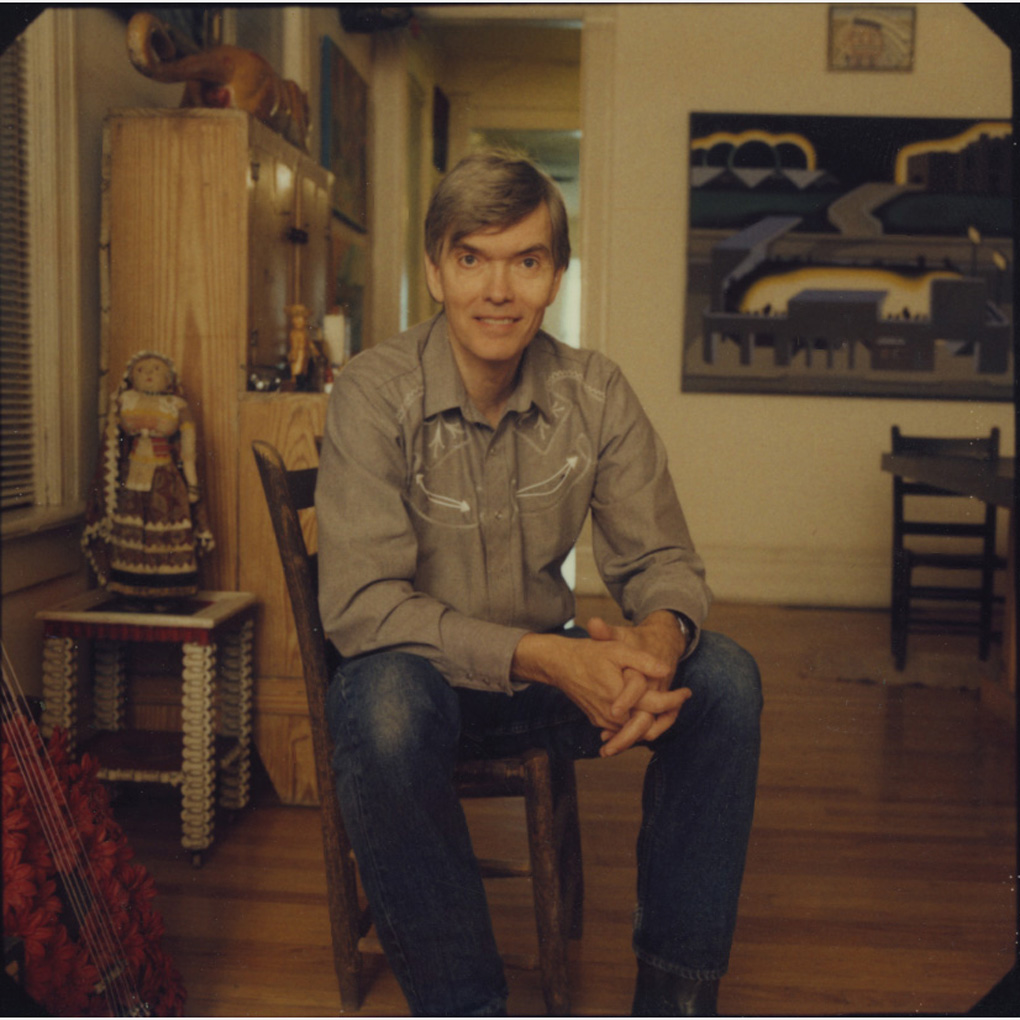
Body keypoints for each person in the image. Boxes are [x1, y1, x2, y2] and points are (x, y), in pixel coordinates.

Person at [316, 150, 762, 1016]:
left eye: (525, 260)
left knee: (725, 681)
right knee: (384, 705)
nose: (498, 290)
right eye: (472, 259)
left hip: (542, 688)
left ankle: (675, 1001)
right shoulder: (374, 392)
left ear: (556, 276)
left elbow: (664, 562)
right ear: (436, 271)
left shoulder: (594, 392)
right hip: (416, 681)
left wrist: (659, 639)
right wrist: (553, 659)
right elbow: (364, 608)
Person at [83, 350, 214, 603]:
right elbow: (110, 443)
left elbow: (188, 451)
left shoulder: (177, 405)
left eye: (156, 369)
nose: (149, 374)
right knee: (130, 528)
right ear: (131, 377)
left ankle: (169, 592)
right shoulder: (124, 401)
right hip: (131, 476)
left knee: (165, 529)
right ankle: (130, 590)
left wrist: (193, 485)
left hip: (166, 478)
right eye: (141, 370)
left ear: (169, 379)